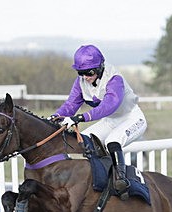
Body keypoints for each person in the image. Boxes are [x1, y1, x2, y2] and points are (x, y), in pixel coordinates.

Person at [50, 44, 147, 200]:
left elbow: (109, 106)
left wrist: (82, 117)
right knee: (84, 139)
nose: (85, 77)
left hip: (132, 118)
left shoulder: (115, 79)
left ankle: (121, 181)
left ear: (100, 67)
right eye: (80, 73)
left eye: (89, 72)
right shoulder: (81, 82)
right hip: (111, 121)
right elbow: (71, 105)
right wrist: (55, 117)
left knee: (112, 141)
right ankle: (95, 177)